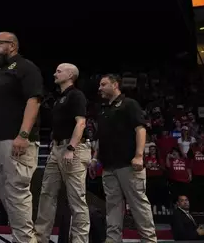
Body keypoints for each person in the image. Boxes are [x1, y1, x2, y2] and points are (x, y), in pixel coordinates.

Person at [0, 32, 43, 243]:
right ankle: (21, 237)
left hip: (15, 140)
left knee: (17, 192)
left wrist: (23, 134)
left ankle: (24, 240)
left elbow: (34, 100)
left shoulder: (25, 68)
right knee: (6, 193)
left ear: (12, 45)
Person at [90, 74, 157, 243]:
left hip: (129, 164)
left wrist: (139, 156)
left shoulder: (129, 104)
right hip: (108, 166)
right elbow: (100, 137)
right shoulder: (103, 109)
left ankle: (149, 240)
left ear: (115, 85)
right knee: (112, 207)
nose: (100, 88)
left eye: (103, 84)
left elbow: (140, 130)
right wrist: (94, 159)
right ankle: (113, 240)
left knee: (138, 205)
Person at [35, 63, 90, 243]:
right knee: (46, 194)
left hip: (72, 149)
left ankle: (79, 241)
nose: (54, 73)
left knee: (76, 199)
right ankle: (41, 238)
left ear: (70, 75)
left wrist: (71, 148)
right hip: (57, 148)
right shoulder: (60, 98)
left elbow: (80, 123)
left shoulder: (76, 95)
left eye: (59, 71)